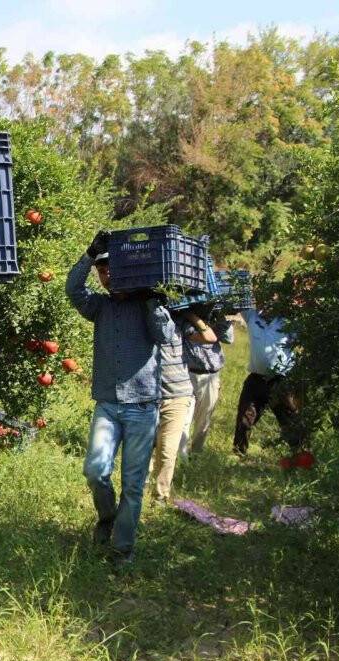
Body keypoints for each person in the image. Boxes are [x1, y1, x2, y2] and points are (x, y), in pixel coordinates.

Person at [65, 231, 176, 565]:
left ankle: (122, 551)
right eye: (101, 271)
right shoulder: (100, 307)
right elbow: (73, 289)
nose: (107, 276)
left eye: (112, 269)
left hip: (142, 407)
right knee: (95, 471)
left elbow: (166, 336)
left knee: (132, 485)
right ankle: (108, 519)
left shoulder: (148, 304)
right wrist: (89, 255)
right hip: (108, 405)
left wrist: (152, 299)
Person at [148, 309, 216, 504]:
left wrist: (191, 315)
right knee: (145, 446)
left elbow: (209, 337)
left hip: (177, 395)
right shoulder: (142, 320)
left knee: (167, 450)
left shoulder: (180, 323)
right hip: (147, 394)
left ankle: (160, 496)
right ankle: (139, 488)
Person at [233, 304, 304, 456]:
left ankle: (300, 457)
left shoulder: (289, 321)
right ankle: (239, 453)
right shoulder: (252, 315)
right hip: (256, 379)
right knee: (244, 418)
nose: (267, 300)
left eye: (273, 297)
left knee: (289, 421)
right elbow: (236, 300)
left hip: (281, 381)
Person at [179, 310, 235, 458]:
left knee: (204, 419)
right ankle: (182, 456)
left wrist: (222, 318)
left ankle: (197, 453)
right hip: (187, 374)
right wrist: (193, 316)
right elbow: (206, 337)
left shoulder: (215, 318)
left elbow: (229, 339)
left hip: (210, 375)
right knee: (184, 418)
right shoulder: (184, 320)